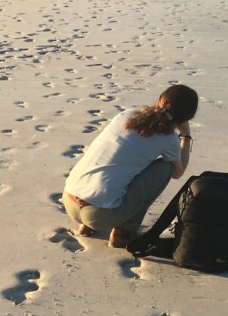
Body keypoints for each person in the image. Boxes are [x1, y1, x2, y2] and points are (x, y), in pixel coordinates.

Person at [62, 84, 198, 247]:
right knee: (165, 168)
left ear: (161, 99)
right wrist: (185, 135)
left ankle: (86, 226)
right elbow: (178, 172)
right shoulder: (169, 139)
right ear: (185, 118)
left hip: (69, 199)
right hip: (99, 215)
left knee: (115, 164)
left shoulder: (127, 115)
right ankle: (123, 233)